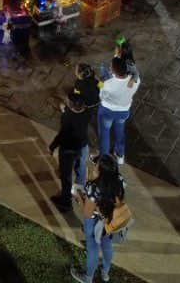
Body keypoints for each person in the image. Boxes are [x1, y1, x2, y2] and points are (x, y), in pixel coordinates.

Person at [70, 153, 126, 283]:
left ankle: (88, 278)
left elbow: (87, 213)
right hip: (111, 219)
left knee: (93, 246)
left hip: (95, 221)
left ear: (102, 172)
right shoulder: (120, 180)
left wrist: (79, 198)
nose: (94, 167)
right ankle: (105, 273)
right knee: (107, 243)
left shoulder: (94, 188)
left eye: (97, 166)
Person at [50, 93, 91, 211]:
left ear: (72, 106)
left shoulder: (67, 117)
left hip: (69, 149)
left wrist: (52, 146)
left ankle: (65, 201)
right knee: (81, 167)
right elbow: (77, 115)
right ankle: (79, 189)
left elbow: (62, 134)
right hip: (82, 146)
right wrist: (67, 110)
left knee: (66, 175)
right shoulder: (87, 113)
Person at [97, 57, 139, 163]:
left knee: (105, 133)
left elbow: (101, 96)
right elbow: (135, 73)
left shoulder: (107, 83)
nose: (109, 67)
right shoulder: (135, 80)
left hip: (107, 111)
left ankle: (104, 159)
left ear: (113, 71)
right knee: (120, 132)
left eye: (110, 66)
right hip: (123, 111)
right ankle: (120, 155)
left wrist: (100, 82)